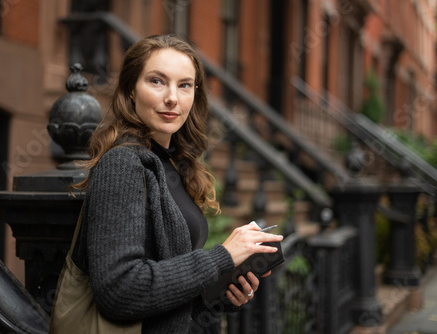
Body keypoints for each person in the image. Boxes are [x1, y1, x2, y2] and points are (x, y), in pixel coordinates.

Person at [69, 34, 283, 333]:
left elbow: (170, 292)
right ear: (131, 89)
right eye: (157, 81)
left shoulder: (170, 163)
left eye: (184, 85)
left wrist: (222, 292)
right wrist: (221, 257)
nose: (172, 97)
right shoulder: (123, 165)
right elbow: (120, 291)